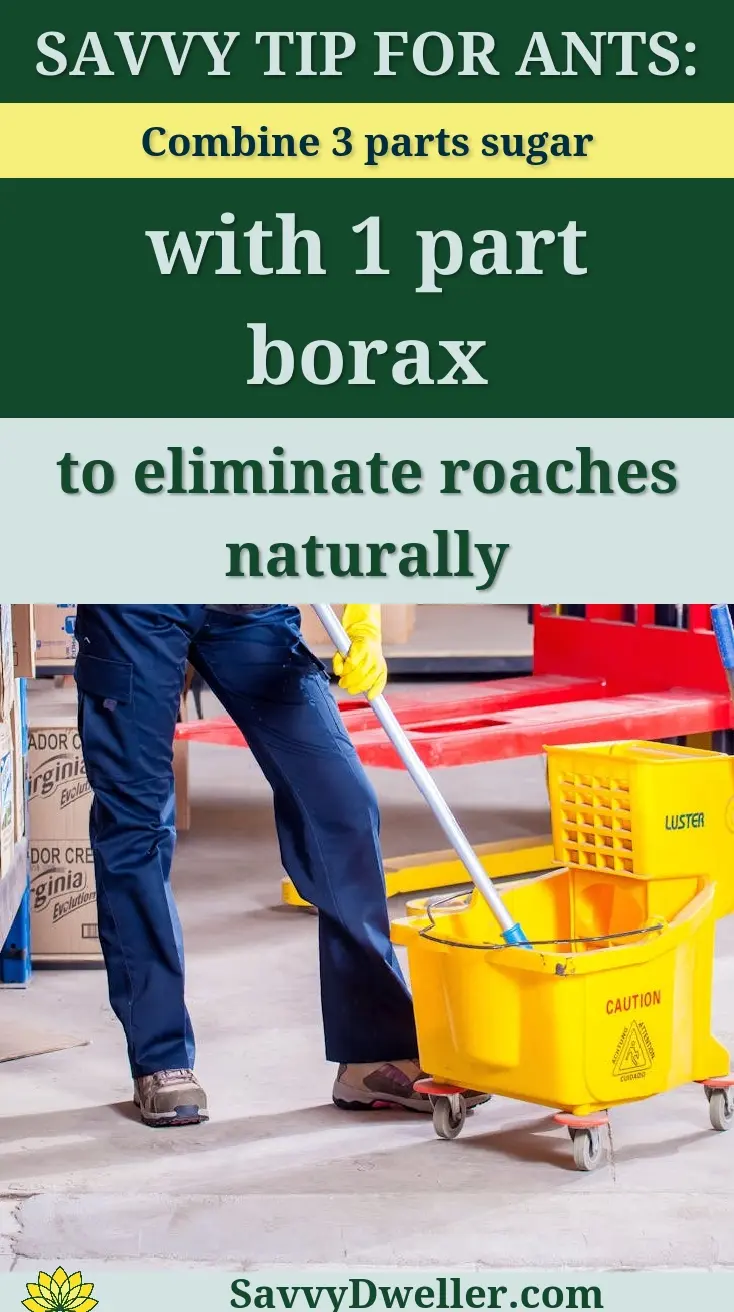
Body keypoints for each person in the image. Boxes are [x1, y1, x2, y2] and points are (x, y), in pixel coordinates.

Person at [74, 603, 488, 1127]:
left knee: (340, 805)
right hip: (135, 604)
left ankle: (373, 1052)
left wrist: (365, 617)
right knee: (138, 825)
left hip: (247, 603)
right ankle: (160, 1058)